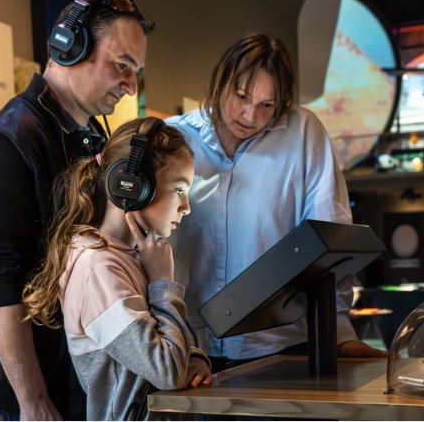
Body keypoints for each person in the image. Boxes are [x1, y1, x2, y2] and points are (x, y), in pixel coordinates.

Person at [0, 0, 154, 420]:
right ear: (70, 47)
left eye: (136, 71)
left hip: (79, 382)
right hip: (41, 391)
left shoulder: (91, 137)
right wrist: (31, 399)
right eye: (122, 65)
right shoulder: (6, 142)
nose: (131, 85)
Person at [166, 32, 388, 372]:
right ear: (220, 82)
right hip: (192, 350)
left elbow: (330, 233)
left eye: (266, 105)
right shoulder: (176, 136)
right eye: (241, 96)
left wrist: (338, 332)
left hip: (280, 345)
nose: (249, 115)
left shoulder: (303, 133)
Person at [23, 118, 211, 421]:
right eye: (179, 189)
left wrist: (195, 359)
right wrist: (163, 283)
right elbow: (166, 371)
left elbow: (170, 343)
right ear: (133, 186)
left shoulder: (131, 257)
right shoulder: (98, 268)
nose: (186, 206)